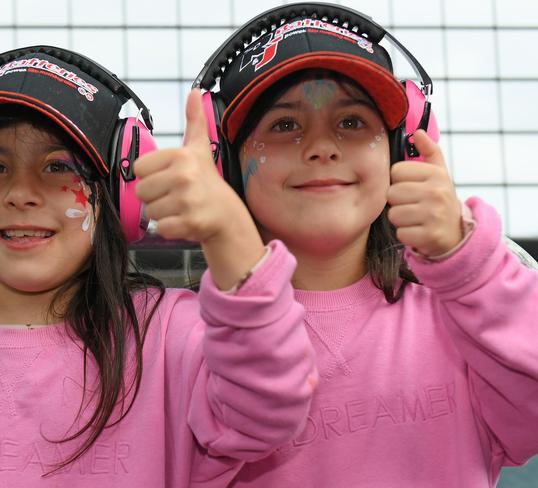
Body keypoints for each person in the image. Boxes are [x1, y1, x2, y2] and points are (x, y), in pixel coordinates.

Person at [0, 46, 317, 487]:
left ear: (117, 194)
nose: (21, 193)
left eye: (58, 166)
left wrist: (230, 232)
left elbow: (269, 408)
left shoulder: (168, 330)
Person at [188, 4, 538, 487]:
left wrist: (468, 262)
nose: (321, 147)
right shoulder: (180, 335)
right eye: (284, 125)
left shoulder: (466, 316)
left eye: (352, 122)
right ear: (223, 163)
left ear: (404, 151)